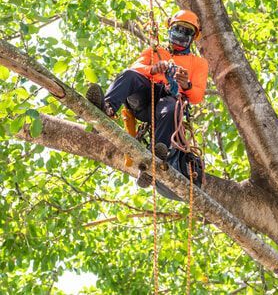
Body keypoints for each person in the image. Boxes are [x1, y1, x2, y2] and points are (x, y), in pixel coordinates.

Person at [86, 10, 208, 197]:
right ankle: (107, 109)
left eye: (187, 32)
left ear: (193, 37)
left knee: (171, 108)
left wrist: (186, 85)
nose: (181, 35)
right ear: (170, 29)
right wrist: (152, 69)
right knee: (129, 76)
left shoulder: (198, 63)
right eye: (178, 29)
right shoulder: (156, 52)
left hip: (168, 105)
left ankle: (155, 158)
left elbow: (197, 96)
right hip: (145, 98)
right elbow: (135, 68)